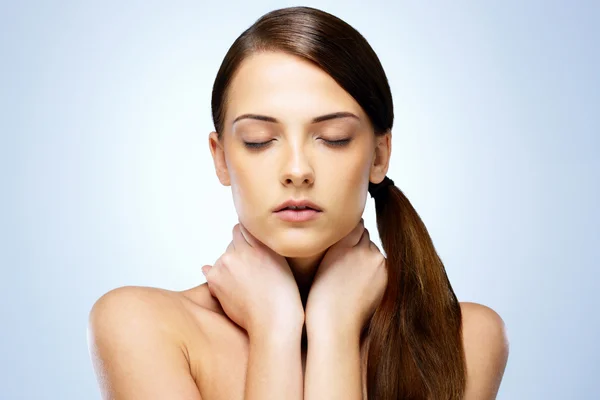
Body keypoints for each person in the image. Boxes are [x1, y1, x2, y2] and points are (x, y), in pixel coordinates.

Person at [87, 6, 509, 399]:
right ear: (221, 159)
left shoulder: (464, 337)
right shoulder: (143, 325)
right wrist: (275, 330)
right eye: (259, 140)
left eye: (333, 138)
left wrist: (334, 331)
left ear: (379, 155)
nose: (297, 170)